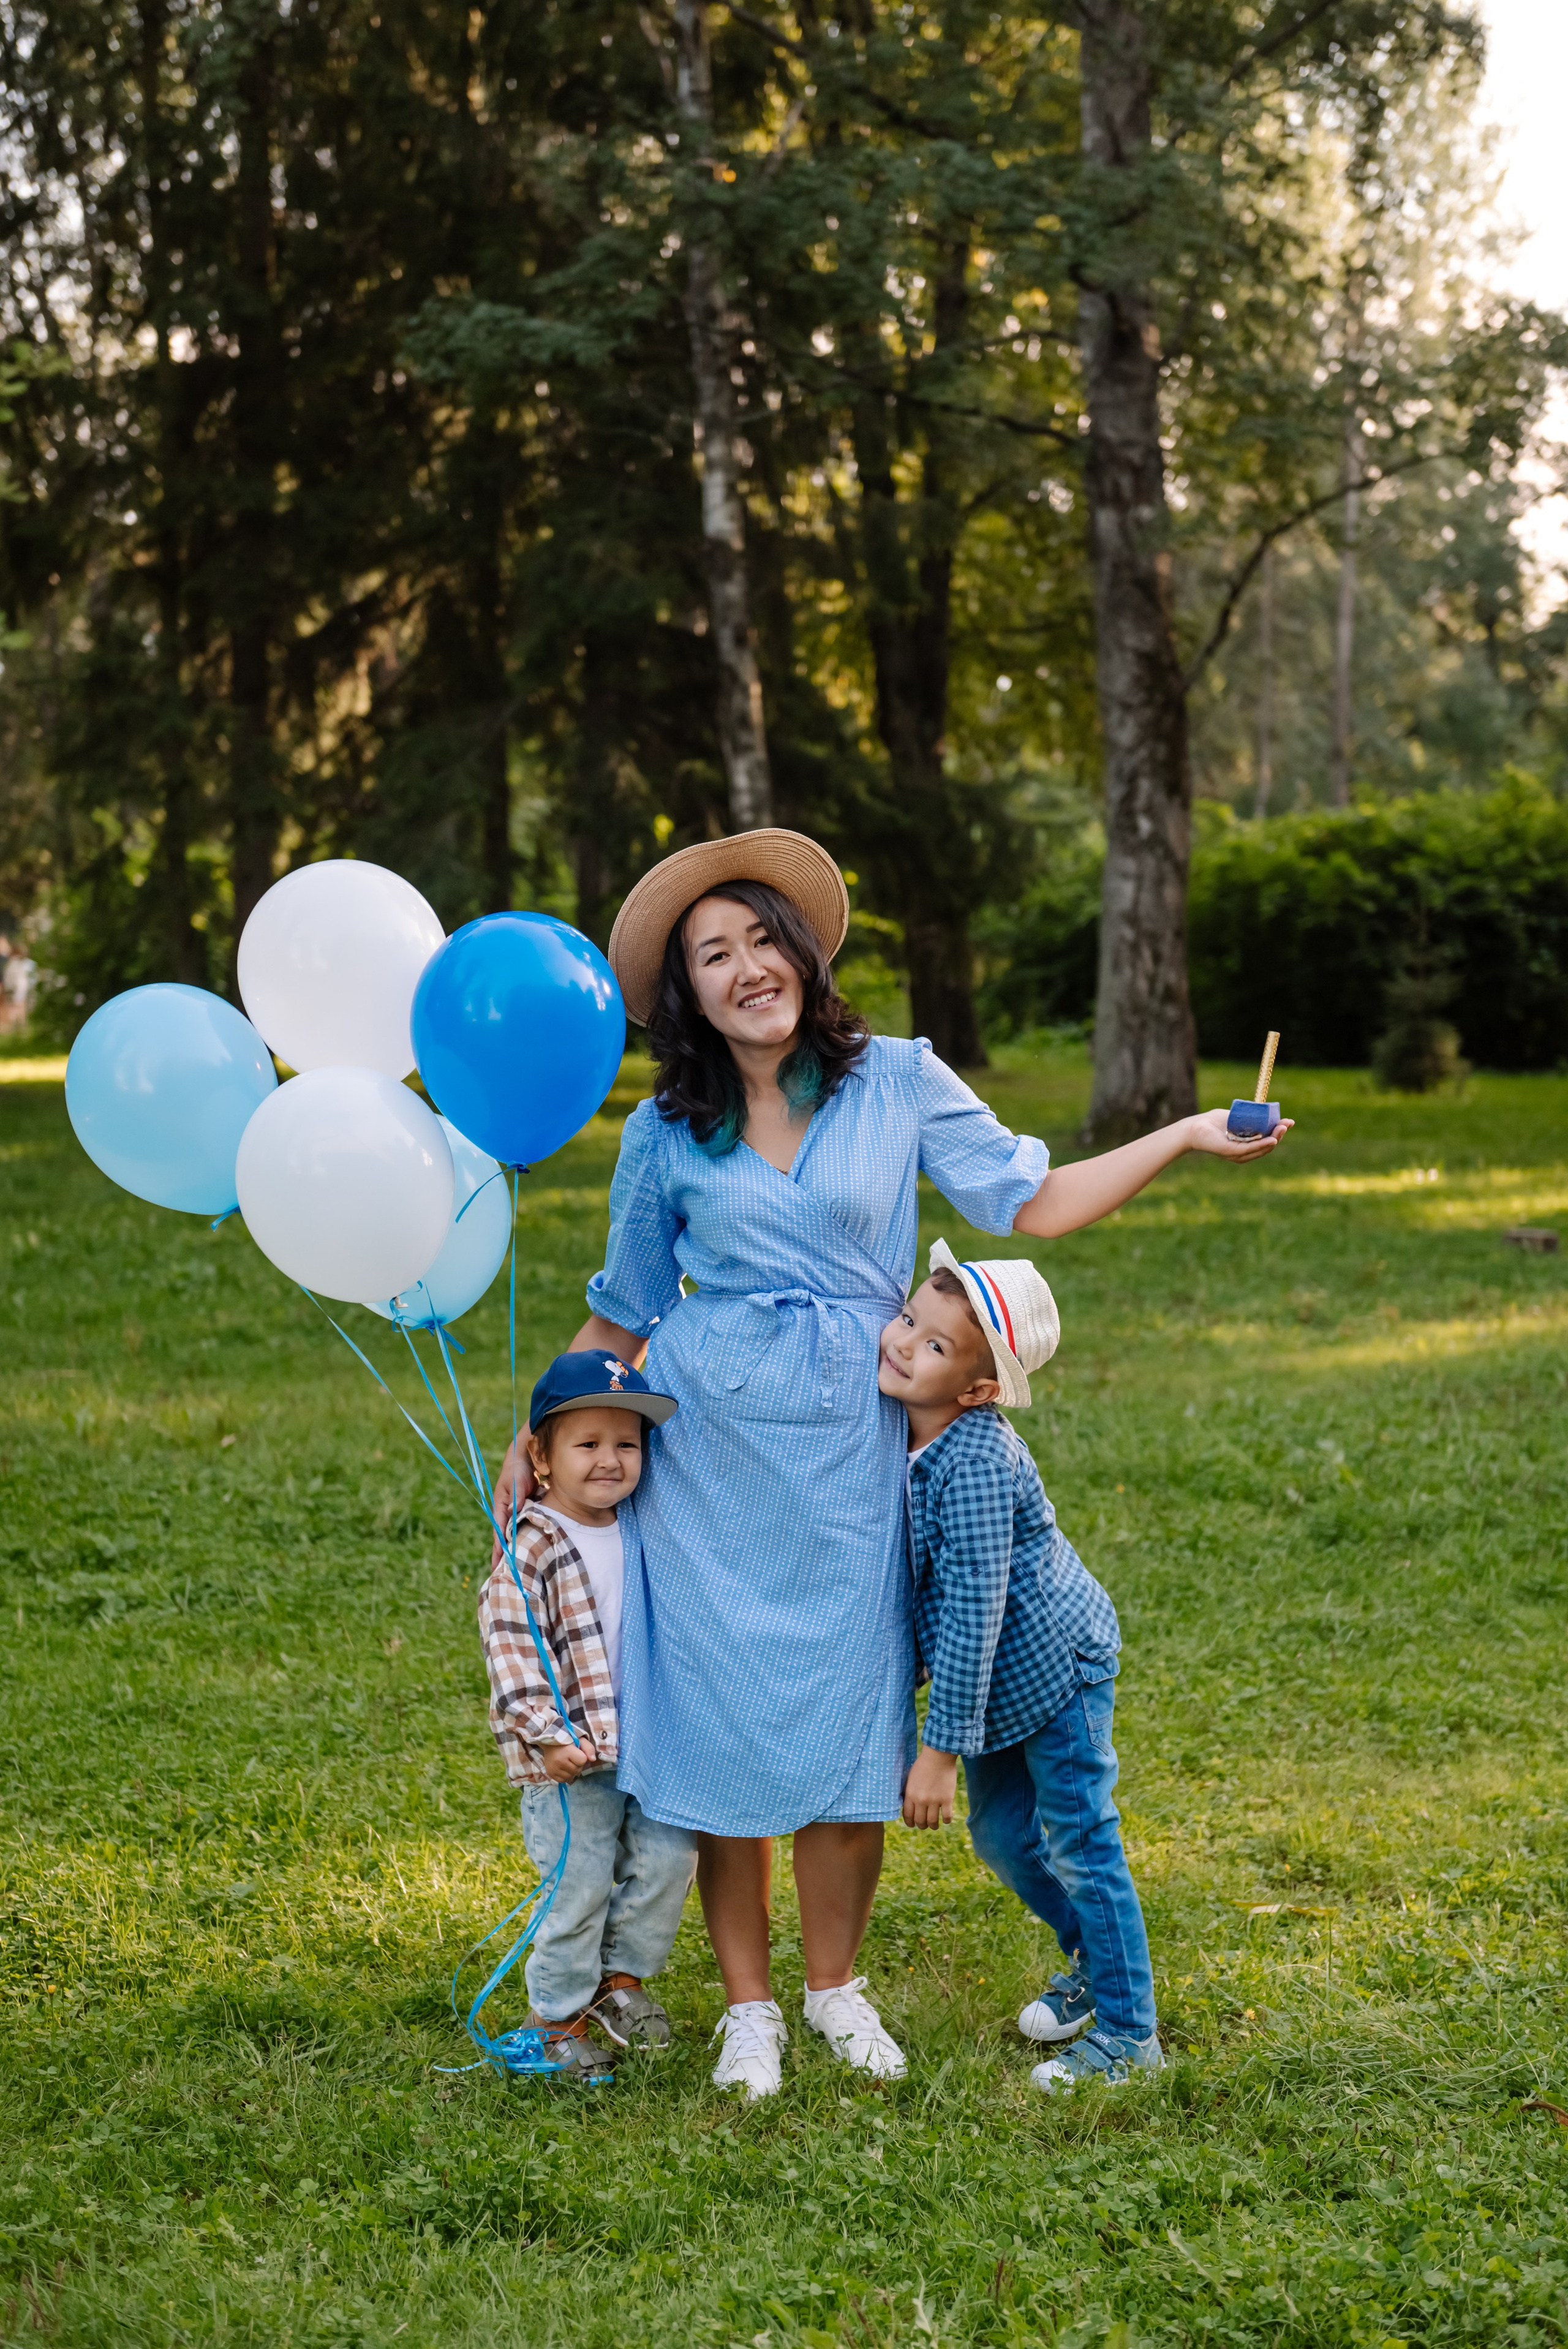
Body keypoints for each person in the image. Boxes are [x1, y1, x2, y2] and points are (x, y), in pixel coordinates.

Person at [489, 827, 1290, 2102]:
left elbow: (1028, 1201)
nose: (746, 966)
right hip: (706, 1457)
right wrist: (532, 1440)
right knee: (720, 1729)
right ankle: (745, 2010)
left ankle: (834, 1988)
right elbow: (625, 1310)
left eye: (761, 938)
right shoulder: (664, 1131)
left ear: (801, 952)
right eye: (712, 953)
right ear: (687, 994)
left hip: (855, 1451)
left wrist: (1184, 1133)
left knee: (854, 1717)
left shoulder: (900, 1079)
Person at [891, 1243, 1161, 2092]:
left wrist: (937, 1749)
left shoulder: (974, 1460)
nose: (902, 1342)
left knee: (1082, 1839)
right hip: (998, 1690)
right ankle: (1091, 1958)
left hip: (1054, 1671)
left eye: (933, 1344)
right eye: (907, 1319)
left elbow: (975, 1611)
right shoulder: (900, 1429)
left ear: (977, 1389)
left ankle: (1129, 2033)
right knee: (1004, 1836)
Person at [478, 1351, 697, 2084]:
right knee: (578, 1883)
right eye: (588, 1444)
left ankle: (619, 1980)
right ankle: (555, 2020)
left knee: (669, 1859)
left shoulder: (641, 1526)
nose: (610, 1460)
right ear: (539, 1456)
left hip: (646, 1743)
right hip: (567, 1758)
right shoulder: (532, 1545)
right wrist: (544, 1732)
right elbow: (509, 1642)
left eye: (627, 1444)